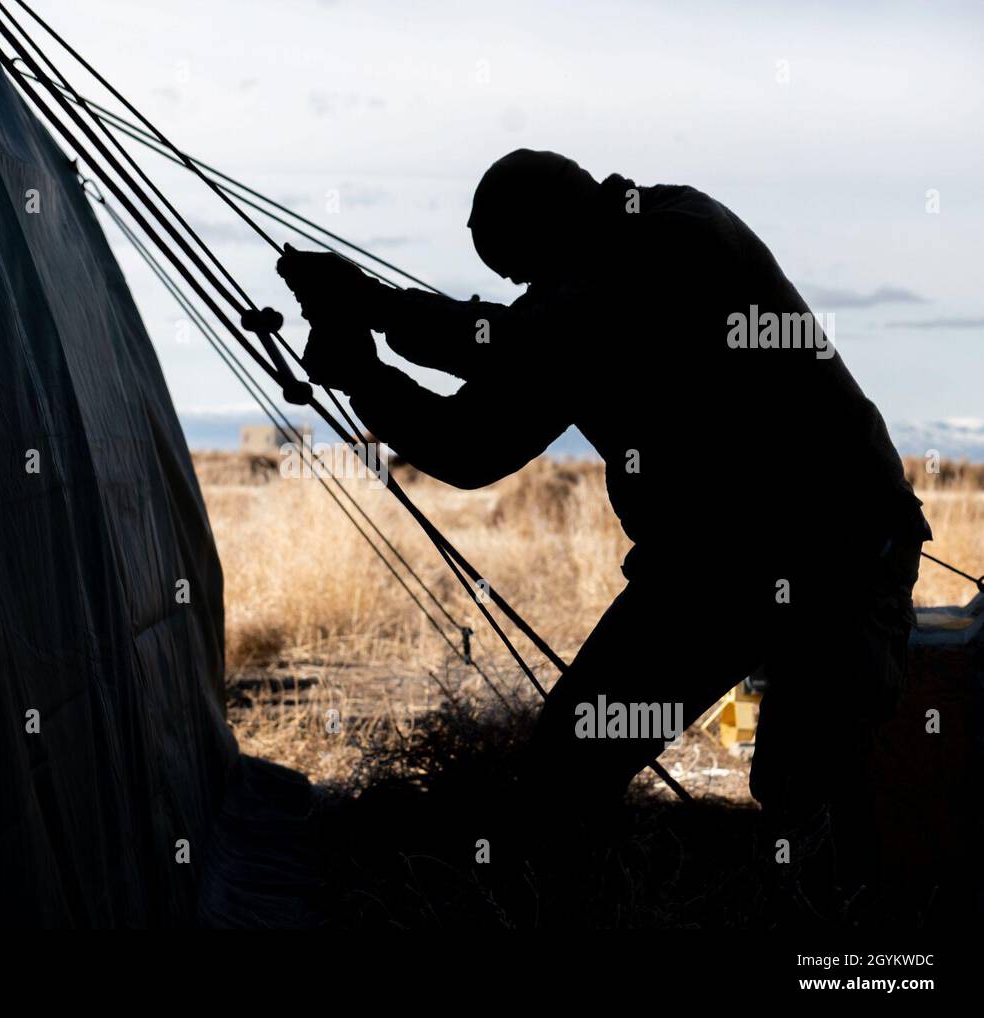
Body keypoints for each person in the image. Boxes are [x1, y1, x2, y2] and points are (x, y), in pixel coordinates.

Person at [276, 149, 931, 877]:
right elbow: (473, 445)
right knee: (570, 765)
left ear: (559, 230)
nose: (527, 290)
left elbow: (526, 342)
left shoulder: (676, 233)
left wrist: (373, 306)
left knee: (819, 805)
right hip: (717, 569)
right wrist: (366, 376)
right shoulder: (576, 298)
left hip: (834, 553)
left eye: (525, 271)